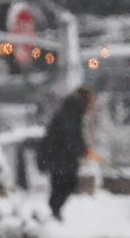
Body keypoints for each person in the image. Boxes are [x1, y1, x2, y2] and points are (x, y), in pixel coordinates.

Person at [38, 87, 93, 220]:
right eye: (89, 101)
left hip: (59, 157)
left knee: (62, 184)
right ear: (83, 100)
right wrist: (82, 150)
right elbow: (72, 136)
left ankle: (54, 212)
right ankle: (54, 212)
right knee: (66, 184)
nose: (90, 105)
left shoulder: (72, 110)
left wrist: (82, 149)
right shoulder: (71, 112)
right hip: (60, 157)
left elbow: (73, 136)